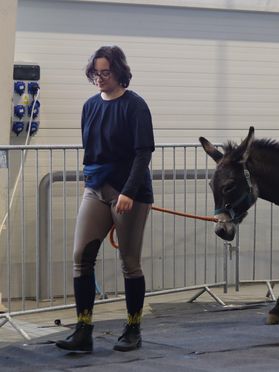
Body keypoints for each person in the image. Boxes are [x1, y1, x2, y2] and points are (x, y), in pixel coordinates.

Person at [55, 46, 155, 352]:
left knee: (129, 262)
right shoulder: (89, 106)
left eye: (105, 72)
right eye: (95, 72)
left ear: (119, 72)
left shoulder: (135, 106)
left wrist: (128, 191)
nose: (99, 78)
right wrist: (92, 182)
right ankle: (83, 329)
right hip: (95, 188)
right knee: (80, 257)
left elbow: (143, 153)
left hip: (130, 192)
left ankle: (133, 328)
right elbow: (92, 150)